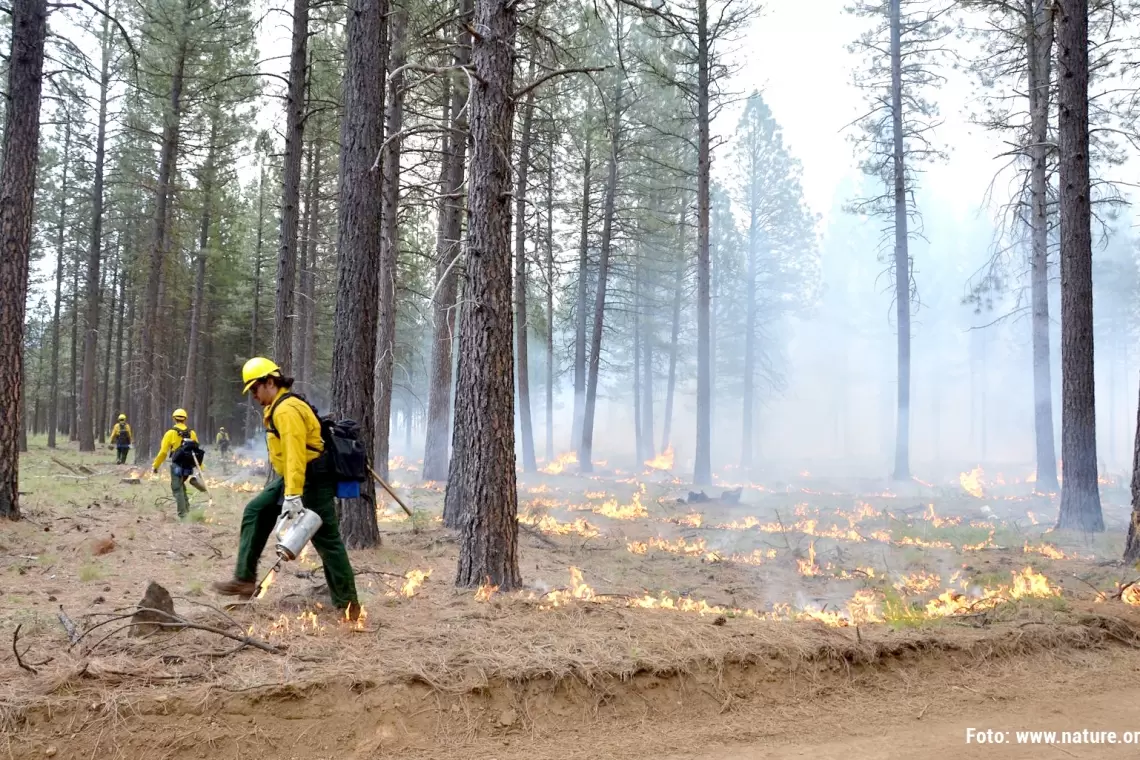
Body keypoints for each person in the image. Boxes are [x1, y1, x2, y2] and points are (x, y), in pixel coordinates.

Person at [213, 357, 360, 619]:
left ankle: (349, 605)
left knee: (327, 541)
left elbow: (294, 454)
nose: (254, 396)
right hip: (294, 478)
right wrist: (289, 488)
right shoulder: (278, 407)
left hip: (311, 478)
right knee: (256, 511)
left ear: (270, 382)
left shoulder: (286, 410)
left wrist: (293, 495)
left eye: (255, 389)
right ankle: (245, 579)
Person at [152, 408, 200, 519]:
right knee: (181, 487)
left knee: (177, 489)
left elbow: (163, 452)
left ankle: (183, 516)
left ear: (174, 419)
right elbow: (197, 450)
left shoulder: (170, 433)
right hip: (188, 467)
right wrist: (200, 467)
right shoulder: (192, 433)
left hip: (177, 466)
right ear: (185, 419)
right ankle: (187, 510)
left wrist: (156, 466)